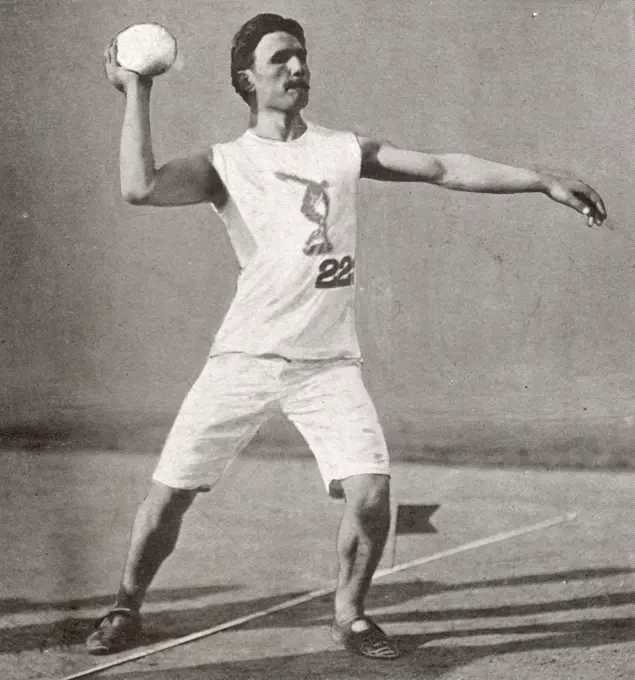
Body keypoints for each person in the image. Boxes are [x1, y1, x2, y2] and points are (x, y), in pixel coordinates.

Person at [89, 13, 607, 660]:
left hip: (326, 364)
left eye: (301, 56)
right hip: (243, 358)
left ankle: (350, 614)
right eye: (279, 59)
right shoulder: (226, 163)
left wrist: (539, 178)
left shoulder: (341, 149)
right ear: (245, 79)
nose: (296, 68)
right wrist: (137, 90)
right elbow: (138, 188)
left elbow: (442, 167)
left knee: (371, 494)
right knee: (169, 496)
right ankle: (125, 604)